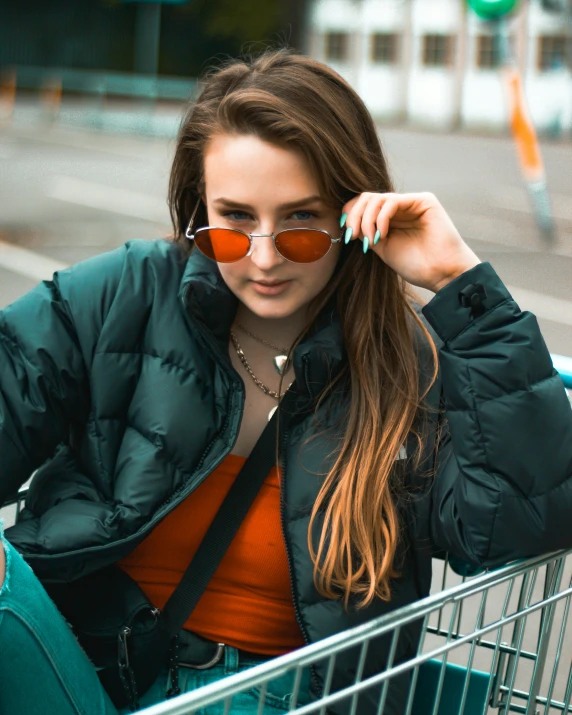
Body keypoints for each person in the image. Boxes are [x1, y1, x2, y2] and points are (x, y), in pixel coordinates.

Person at [1, 49, 572, 715]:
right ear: (198, 207)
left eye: (301, 220)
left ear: (352, 212)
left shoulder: (405, 361)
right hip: (83, 675)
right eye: (235, 220)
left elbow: (520, 525)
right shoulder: (127, 296)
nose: (266, 257)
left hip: (284, 700)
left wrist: (462, 286)